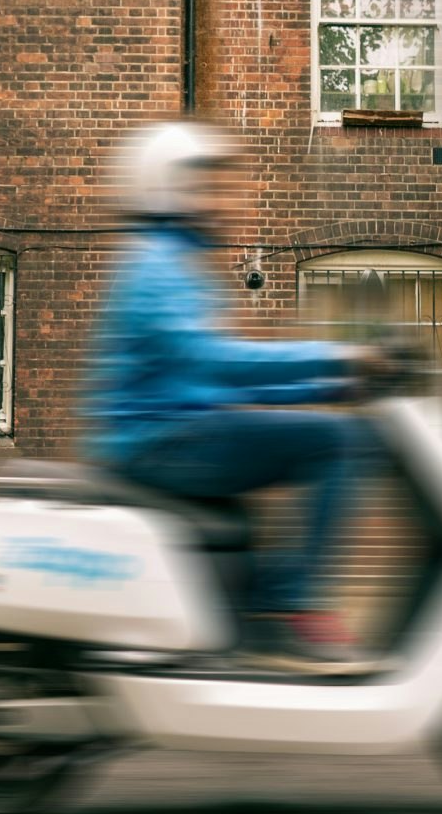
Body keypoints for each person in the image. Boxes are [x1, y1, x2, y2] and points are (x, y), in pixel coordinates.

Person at [83, 122, 390, 666]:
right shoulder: (156, 266)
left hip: (174, 430)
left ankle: (257, 614)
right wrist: (338, 356)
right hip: (157, 440)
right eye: (207, 186)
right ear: (163, 187)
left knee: (321, 436)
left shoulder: (176, 263)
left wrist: (335, 385)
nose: (224, 200)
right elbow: (213, 361)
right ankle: (290, 609)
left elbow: (213, 377)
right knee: (337, 440)